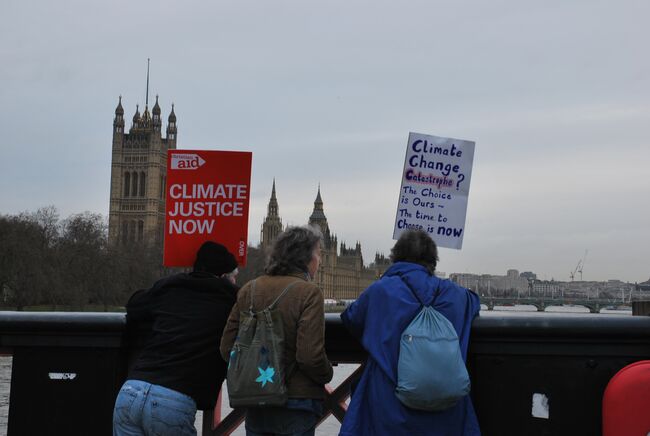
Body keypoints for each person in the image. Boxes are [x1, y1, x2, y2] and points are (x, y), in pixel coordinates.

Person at [339, 229, 481, 436]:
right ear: (433, 261)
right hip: (446, 412)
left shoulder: (380, 291)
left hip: (387, 410)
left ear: (395, 258)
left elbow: (351, 318)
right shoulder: (456, 294)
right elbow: (474, 302)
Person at [113, 241, 240, 436]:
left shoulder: (170, 287)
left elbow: (135, 305)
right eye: (234, 277)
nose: (235, 282)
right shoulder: (231, 299)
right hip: (173, 400)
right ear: (223, 276)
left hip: (131, 391)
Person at [220, 225, 333, 436]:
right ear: (305, 258)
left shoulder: (249, 289)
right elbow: (309, 356)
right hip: (296, 403)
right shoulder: (309, 293)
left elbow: (227, 348)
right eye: (318, 253)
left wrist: (257, 370)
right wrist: (327, 374)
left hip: (256, 400)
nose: (319, 260)